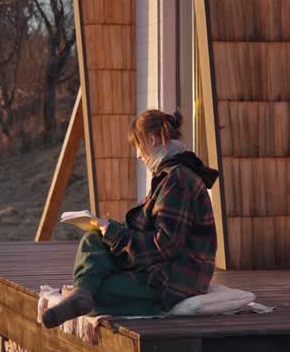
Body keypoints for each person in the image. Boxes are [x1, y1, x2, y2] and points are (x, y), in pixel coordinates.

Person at [41, 109, 219, 328]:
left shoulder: (178, 180)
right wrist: (110, 230)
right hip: (158, 268)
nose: (137, 155)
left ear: (151, 139)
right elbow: (154, 232)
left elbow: (166, 245)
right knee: (93, 239)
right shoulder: (170, 177)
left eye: (137, 146)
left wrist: (117, 235)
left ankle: (84, 293)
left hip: (174, 280)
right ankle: (82, 294)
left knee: (102, 290)